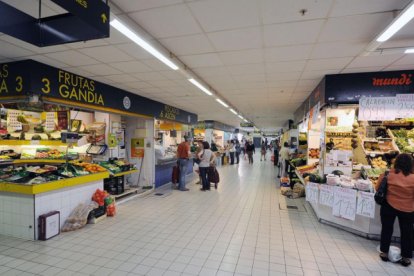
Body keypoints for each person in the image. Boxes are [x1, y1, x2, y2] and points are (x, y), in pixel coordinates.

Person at [375, 153, 414, 266]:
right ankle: (406, 257)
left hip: (388, 206)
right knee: (407, 233)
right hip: (408, 209)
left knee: (387, 229)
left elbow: (378, 188)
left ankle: (384, 253)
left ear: (396, 162)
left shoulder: (388, 174)